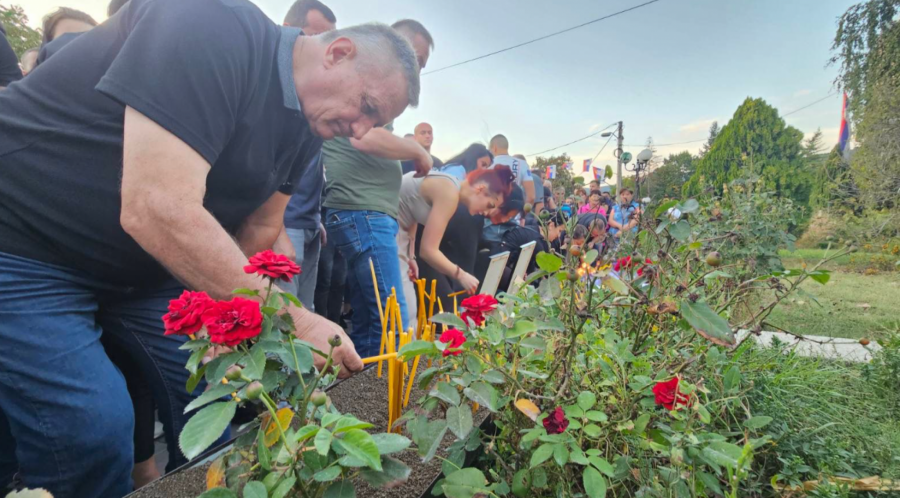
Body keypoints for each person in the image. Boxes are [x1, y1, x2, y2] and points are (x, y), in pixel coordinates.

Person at [0, 0, 420, 493]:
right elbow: (155, 206)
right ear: (338, 53)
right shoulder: (208, 20)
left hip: (142, 272)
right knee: (93, 430)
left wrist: (242, 334)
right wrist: (296, 320)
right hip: (25, 244)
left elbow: (261, 227)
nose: (361, 131)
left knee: (220, 391)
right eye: (368, 108)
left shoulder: (305, 127)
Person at [323, 19, 434, 357]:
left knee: (374, 323)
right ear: (395, 44)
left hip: (366, 213)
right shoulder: (364, 83)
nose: (417, 74)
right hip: (362, 211)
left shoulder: (372, 88)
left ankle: (367, 404)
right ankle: (382, 406)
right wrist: (416, 150)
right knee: (392, 323)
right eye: (415, 60)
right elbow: (362, 135)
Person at [275, 0, 337, 311]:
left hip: (309, 221)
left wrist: (316, 217)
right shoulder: (272, 92)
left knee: (306, 309)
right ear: (288, 31)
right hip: (283, 224)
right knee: (286, 316)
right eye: (315, 38)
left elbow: (310, 167)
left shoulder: (310, 97)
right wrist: (277, 228)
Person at [399, 166, 514, 321]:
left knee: (404, 312)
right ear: (480, 188)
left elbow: (412, 214)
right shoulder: (450, 193)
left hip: (394, 233)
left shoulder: (450, 186)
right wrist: (461, 275)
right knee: (405, 315)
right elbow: (428, 250)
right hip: (385, 229)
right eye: (490, 205)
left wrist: (410, 256)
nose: (488, 213)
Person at [489, 134, 535, 204]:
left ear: (494, 148)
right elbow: (531, 197)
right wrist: (522, 213)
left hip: (494, 210)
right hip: (515, 208)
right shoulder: (522, 164)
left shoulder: (487, 165)